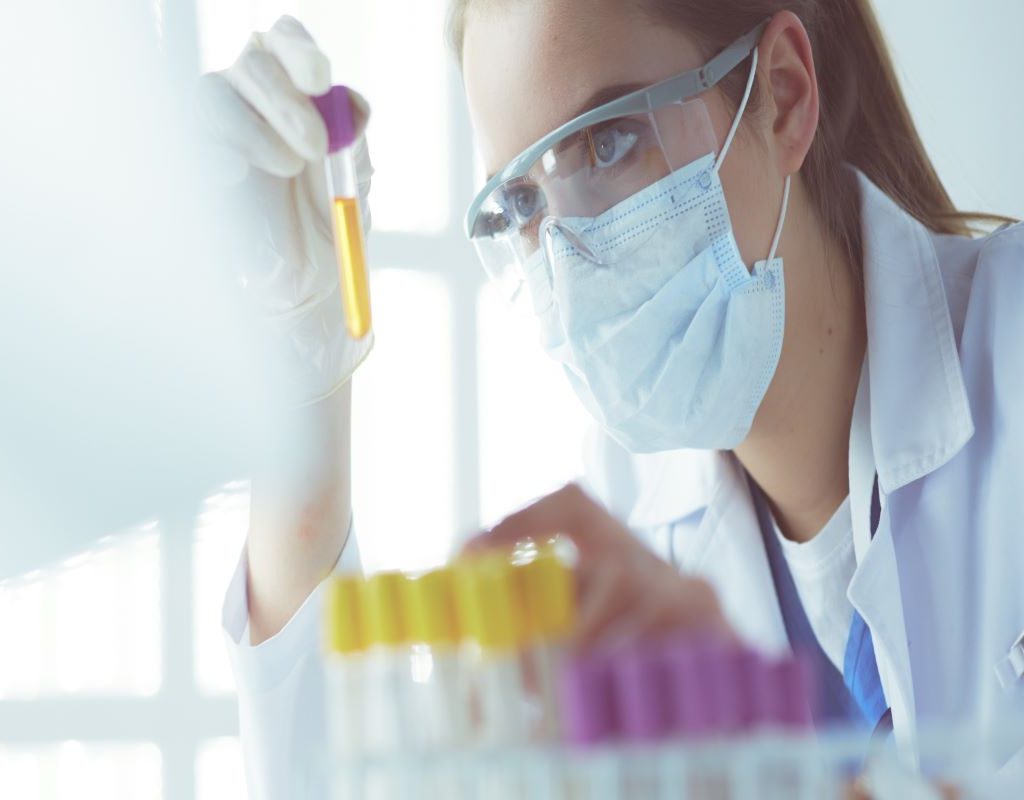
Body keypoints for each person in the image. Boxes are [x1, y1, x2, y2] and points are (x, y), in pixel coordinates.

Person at [199, 2, 1024, 796]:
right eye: (521, 204)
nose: (567, 256)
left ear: (782, 95)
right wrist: (298, 374)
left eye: (607, 144)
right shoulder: (624, 540)